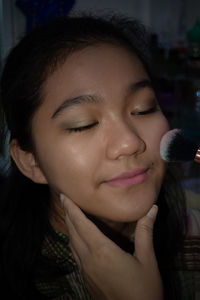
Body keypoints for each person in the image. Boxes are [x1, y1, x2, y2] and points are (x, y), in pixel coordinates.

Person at [0, 15, 192, 300]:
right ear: (31, 162)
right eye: (83, 124)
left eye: (143, 108)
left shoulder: (192, 237)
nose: (129, 143)